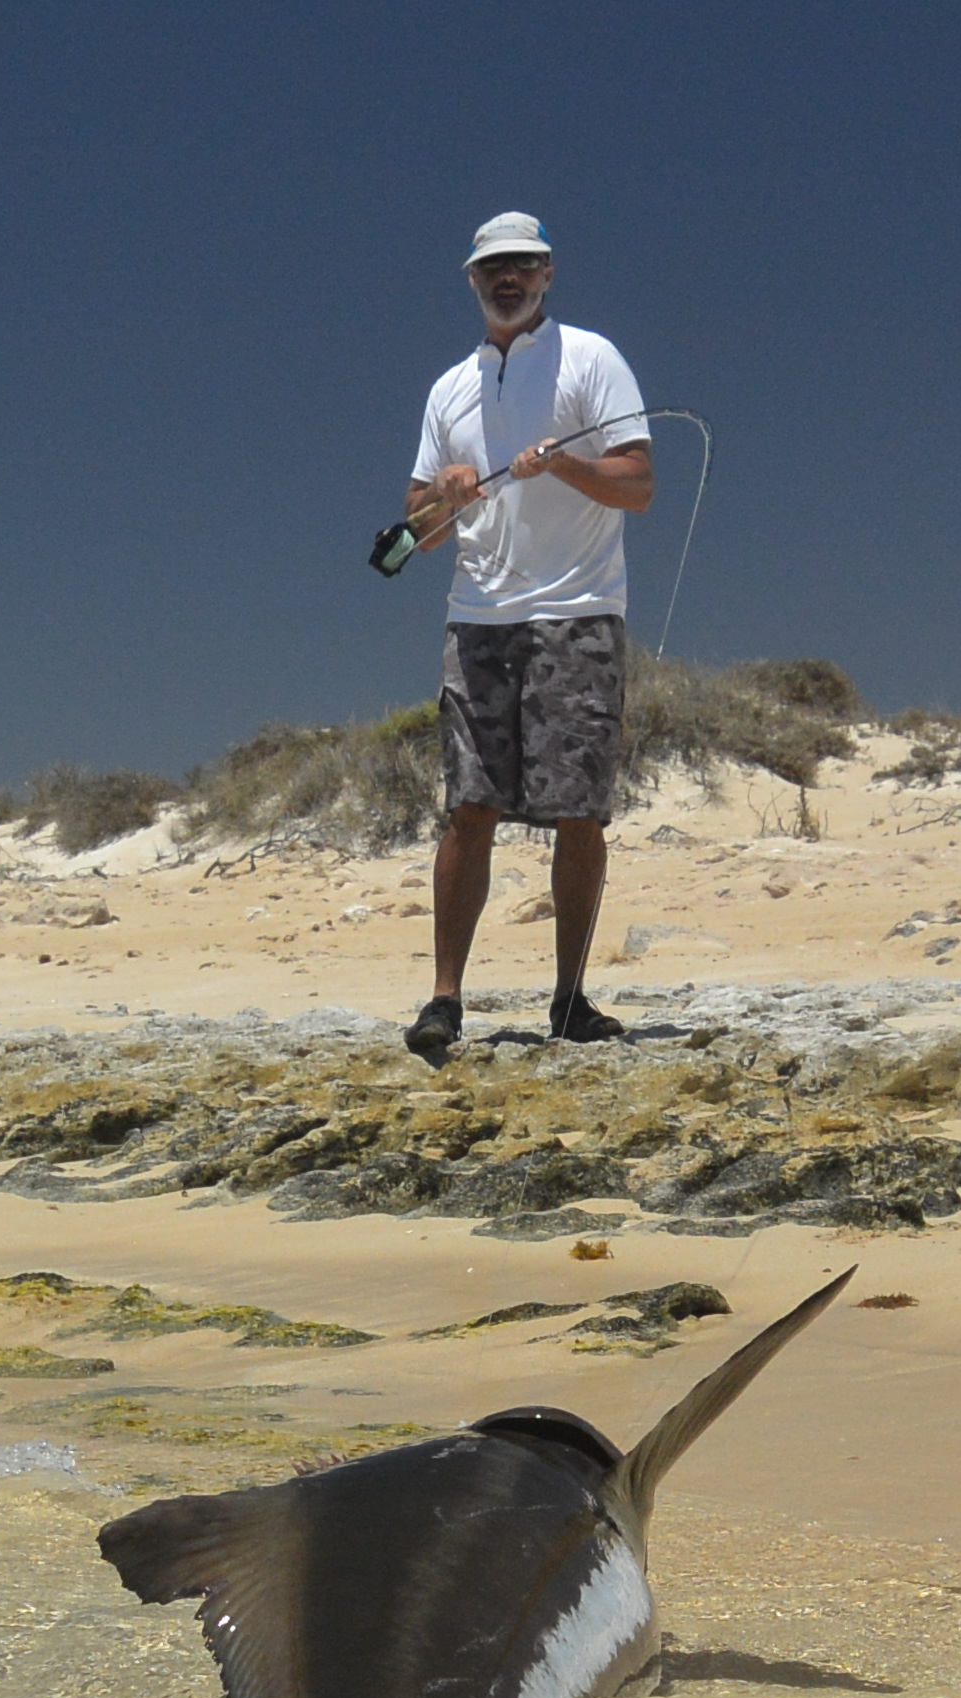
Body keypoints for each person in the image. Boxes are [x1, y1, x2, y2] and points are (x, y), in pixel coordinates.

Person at [400, 211, 654, 1062]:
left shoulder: (592, 358)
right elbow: (416, 534)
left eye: (523, 265)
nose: (507, 279)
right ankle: (444, 999)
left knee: (578, 808)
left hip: (579, 611)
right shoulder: (449, 389)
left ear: (547, 273)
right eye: (492, 268)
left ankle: (570, 998)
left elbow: (639, 483)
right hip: (478, 619)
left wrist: (568, 465)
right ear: (472, 280)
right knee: (468, 807)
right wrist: (445, 496)